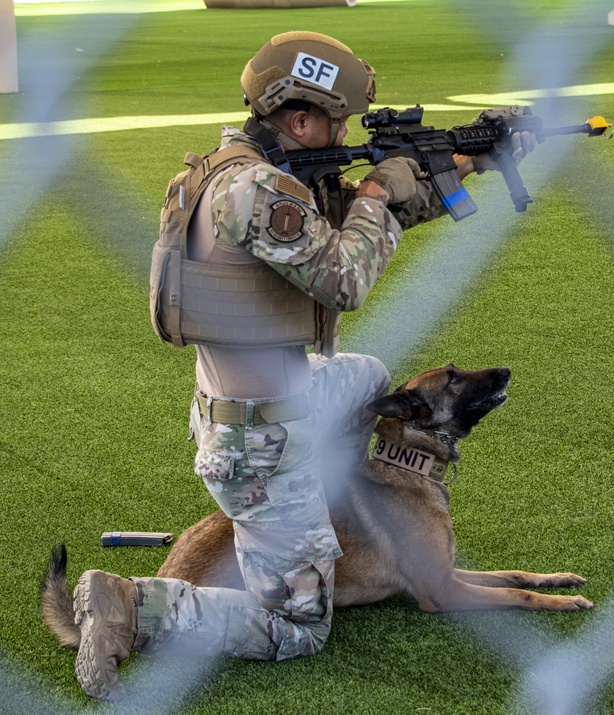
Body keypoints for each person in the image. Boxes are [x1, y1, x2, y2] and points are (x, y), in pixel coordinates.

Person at [70, 31, 534, 701]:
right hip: (258, 439)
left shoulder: (249, 173)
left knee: (368, 376)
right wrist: (377, 192)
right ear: (297, 118)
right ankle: (130, 604)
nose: (344, 129)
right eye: (336, 117)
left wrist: (469, 161)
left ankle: (325, 512)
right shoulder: (255, 191)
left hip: (272, 399)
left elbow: (350, 222)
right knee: (296, 626)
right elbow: (345, 275)